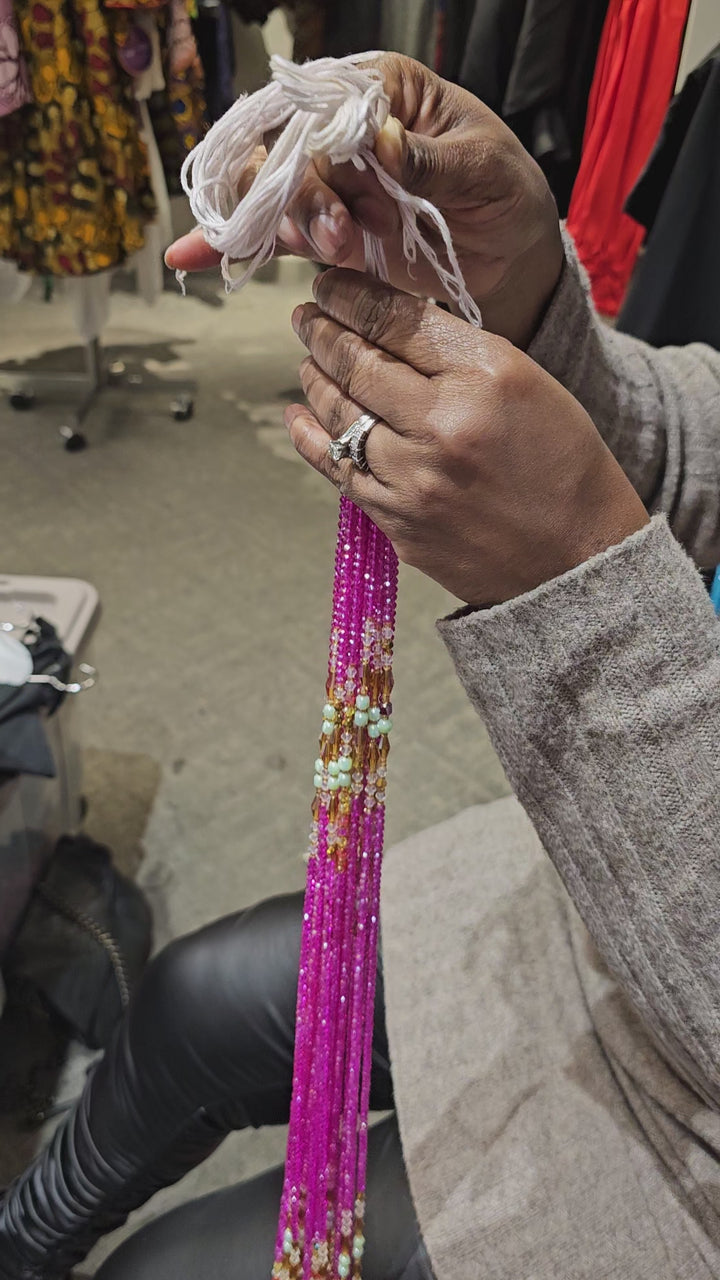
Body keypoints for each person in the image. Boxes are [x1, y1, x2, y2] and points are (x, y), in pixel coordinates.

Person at [3, 51, 720, 1280]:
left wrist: (582, 586)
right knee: (183, 998)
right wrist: (526, 292)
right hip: (601, 893)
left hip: (686, 1125)